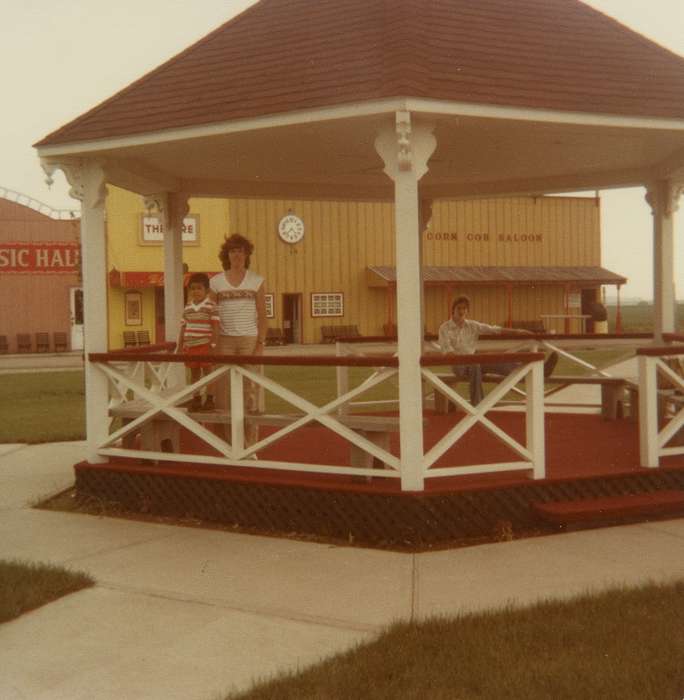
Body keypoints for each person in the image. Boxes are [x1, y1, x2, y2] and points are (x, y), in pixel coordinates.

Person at [438, 295, 558, 405]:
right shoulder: (445, 328)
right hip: (458, 365)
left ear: (467, 311)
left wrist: (517, 331)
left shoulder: (472, 325)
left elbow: (494, 329)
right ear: (453, 309)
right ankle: (478, 405)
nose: (461, 311)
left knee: (501, 363)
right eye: (459, 308)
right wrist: (466, 359)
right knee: (475, 365)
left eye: (464, 308)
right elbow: (448, 352)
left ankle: (540, 372)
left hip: (474, 361)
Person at [210, 233, 268, 446]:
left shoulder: (257, 280)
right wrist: (213, 344)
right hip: (224, 341)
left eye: (240, 251)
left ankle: (249, 444)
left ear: (246, 254)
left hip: (249, 341)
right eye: (233, 251)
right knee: (223, 395)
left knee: (249, 395)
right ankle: (226, 444)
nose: (237, 255)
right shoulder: (215, 282)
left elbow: (263, 315)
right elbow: (210, 314)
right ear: (227, 255)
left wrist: (260, 343)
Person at [177, 273, 220, 411]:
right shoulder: (187, 308)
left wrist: (213, 345)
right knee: (194, 374)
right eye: (193, 288)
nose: (195, 291)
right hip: (190, 346)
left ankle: (209, 399)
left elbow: (215, 328)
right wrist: (180, 346)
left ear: (206, 290)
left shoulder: (211, 306)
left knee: (208, 373)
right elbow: (183, 328)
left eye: (199, 288)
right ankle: (196, 399)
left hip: (205, 345)